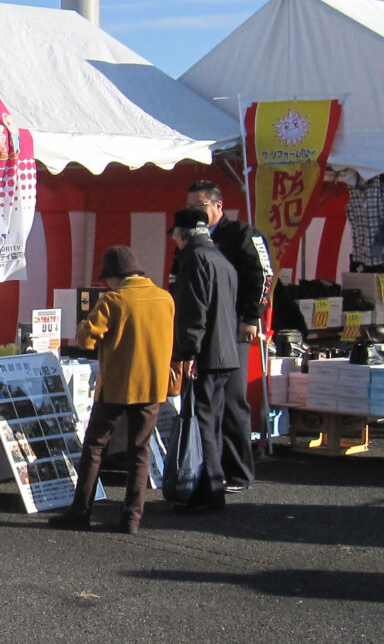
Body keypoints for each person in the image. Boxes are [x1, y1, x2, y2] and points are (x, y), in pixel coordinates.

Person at [48, 246, 175, 535]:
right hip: (153, 386)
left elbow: (86, 339)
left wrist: (83, 325)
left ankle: (80, 511)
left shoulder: (114, 300)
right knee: (140, 450)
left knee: (94, 446)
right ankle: (131, 518)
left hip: (118, 385)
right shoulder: (165, 298)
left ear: (116, 277)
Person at [185, 180, 273, 493]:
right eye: (190, 208)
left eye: (200, 207)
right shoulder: (191, 239)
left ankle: (238, 472)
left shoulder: (243, 234)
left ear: (218, 206)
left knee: (233, 400)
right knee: (206, 403)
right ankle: (210, 470)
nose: (194, 213)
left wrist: (251, 317)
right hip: (201, 330)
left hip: (234, 328)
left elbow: (263, 276)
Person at [169, 208, 239, 513]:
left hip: (207, 353)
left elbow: (194, 311)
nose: (173, 240)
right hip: (226, 352)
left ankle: (209, 491)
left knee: (204, 424)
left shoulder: (195, 260)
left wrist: (189, 352)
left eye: (175, 234)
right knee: (213, 423)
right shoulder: (221, 259)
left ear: (183, 234)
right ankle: (210, 487)